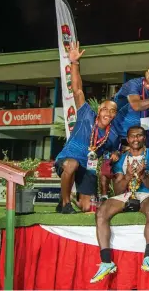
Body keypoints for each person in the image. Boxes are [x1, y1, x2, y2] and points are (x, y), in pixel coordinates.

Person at [54, 42, 121, 213]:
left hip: (89, 167)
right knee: (72, 165)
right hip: (68, 159)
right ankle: (65, 204)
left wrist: (114, 155)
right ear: (99, 109)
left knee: (87, 208)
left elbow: (113, 151)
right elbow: (77, 90)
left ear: (115, 115)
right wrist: (75, 63)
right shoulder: (86, 114)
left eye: (112, 111)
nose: (108, 113)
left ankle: (69, 198)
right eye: (105, 109)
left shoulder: (112, 134)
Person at [90, 126, 149, 282]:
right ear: (128, 139)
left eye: (139, 136)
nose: (135, 139)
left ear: (144, 138)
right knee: (101, 212)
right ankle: (106, 261)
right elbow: (117, 190)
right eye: (132, 136)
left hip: (147, 194)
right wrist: (128, 176)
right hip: (127, 194)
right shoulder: (122, 158)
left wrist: (143, 177)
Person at [113, 63, 149, 137]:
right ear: (146, 73)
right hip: (120, 130)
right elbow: (136, 106)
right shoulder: (133, 84)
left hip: (140, 131)